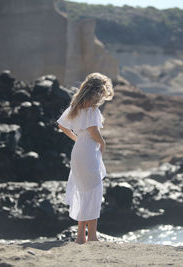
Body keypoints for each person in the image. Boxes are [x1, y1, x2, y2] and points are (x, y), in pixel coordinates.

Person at [56, 72, 114, 244]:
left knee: (84, 193)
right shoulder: (92, 110)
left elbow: (61, 125)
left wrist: (76, 138)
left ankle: (81, 237)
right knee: (94, 194)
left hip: (78, 151)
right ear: (98, 92)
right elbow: (93, 131)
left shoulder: (76, 107)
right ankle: (93, 237)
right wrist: (102, 143)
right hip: (88, 152)